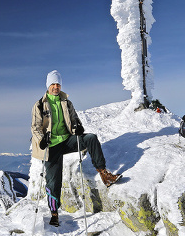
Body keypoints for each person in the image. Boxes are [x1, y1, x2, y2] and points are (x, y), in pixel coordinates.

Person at [31, 70, 121, 226]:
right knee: (53, 181)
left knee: (90, 138)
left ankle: (104, 174)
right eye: (53, 84)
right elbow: (35, 127)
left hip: (66, 141)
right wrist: (41, 140)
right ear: (48, 85)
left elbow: (74, 120)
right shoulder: (40, 104)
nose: (56, 87)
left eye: (58, 84)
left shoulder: (66, 102)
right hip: (50, 146)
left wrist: (78, 128)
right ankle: (54, 213)